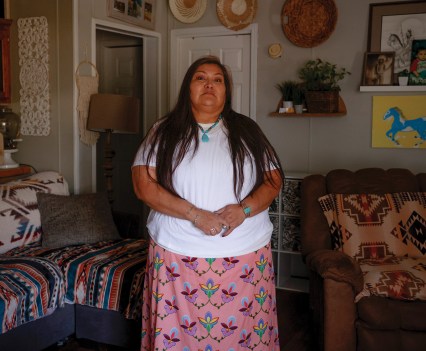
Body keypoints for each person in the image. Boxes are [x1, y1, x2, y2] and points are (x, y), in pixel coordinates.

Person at [132, 55, 284, 350]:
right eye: (200, 78)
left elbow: (274, 180)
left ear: (227, 91)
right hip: (176, 253)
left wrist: (244, 210)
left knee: (243, 335)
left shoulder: (248, 130)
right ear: (187, 88)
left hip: (245, 253)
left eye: (218, 80)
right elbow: (142, 185)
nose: (209, 85)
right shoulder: (163, 131)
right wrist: (195, 215)